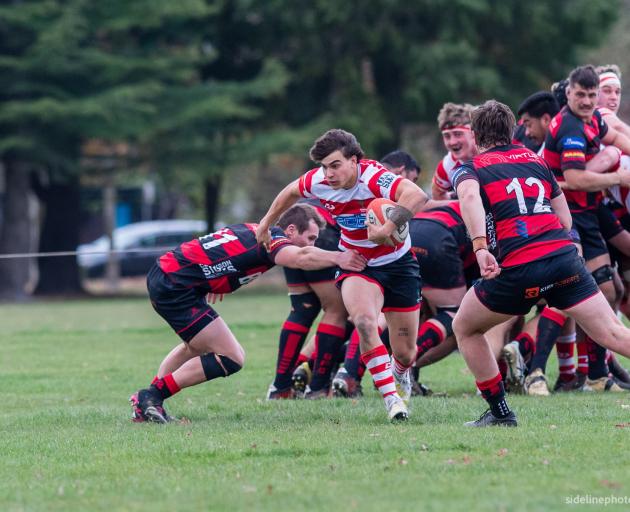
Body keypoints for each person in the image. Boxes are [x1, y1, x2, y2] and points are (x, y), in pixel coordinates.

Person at [451, 99, 630, 427]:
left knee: (465, 327)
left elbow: (470, 198)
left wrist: (480, 247)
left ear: (476, 136)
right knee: (613, 333)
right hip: (563, 260)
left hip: (519, 267)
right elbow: (563, 218)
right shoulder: (535, 160)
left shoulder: (471, 167)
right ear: (512, 130)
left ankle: (500, 413)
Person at [129, 204, 366, 423]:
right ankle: (149, 397)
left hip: (170, 276)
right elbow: (301, 258)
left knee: (195, 347)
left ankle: (150, 402)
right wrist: (339, 257)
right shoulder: (274, 240)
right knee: (232, 357)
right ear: (291, 230)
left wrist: (214, 279)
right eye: (311, 238)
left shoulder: (253, 228)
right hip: (175, 285)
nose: (312, 245)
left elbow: (220, 249)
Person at [256, 129, 430, 422]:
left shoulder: (374, 176)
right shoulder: (319, 181)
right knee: (363, 321)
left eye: (335, 165)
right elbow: (289, 193)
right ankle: (392, 401)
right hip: (358, 264)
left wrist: (386, 229)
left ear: (354, 160)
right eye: (324, 166)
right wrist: (265, 225)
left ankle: (400, 374)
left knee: (405, 352)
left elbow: (417, 195)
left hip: (399, 264)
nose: (328, 173)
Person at [541, 64, 630, 392]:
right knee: (572, 293)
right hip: (565, 215)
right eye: (581, 94)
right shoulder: (569, 127)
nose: (588, 100)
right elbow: (576, 179)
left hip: (587, 213)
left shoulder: (591, 119)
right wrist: (617, 177)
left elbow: (616, 137)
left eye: (592, 95)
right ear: (569, 93)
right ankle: (540, 368)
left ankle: (595, 373)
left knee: (609, 291)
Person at [267, 200, 349, 400]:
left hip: (295, 234)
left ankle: (280, 387)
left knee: (302, 311)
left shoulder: (319, 180)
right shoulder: (369, 178)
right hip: (322, 232)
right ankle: (318, 387)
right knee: (337, 311)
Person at [431, 103, 478, 200]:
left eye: (458, 134)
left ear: (473, 133)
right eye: (447, 136)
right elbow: (437, 194)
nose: (452, 142)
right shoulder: (446, 166)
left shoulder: (491, 151)